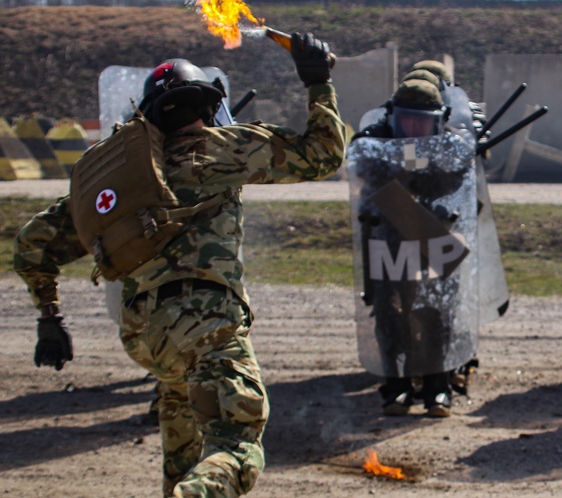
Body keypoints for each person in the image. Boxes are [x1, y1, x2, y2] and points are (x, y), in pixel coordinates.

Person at [15, 33, 349, 496]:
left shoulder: (120, 183)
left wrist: (49, 318)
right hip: (205, 325)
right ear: (209, 110)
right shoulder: (220, 148)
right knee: (236, 446)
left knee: (184, 452)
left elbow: (31, 244)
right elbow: (324, 154)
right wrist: (318, 82)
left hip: (145, 338)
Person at [351, 78, 478, 418]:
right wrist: (409, 168)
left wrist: (428, 177)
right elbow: (365, 166)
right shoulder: (372, 140)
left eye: (422, 121)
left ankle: (438, 388)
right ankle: (396, 387)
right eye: (407, 120)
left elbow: (456, 178)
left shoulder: (450, 144)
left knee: (436, 312)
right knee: (390, 314)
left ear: (437, 120)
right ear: (393, 117)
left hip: (432, 234)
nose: (414, 128)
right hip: (387, 237)